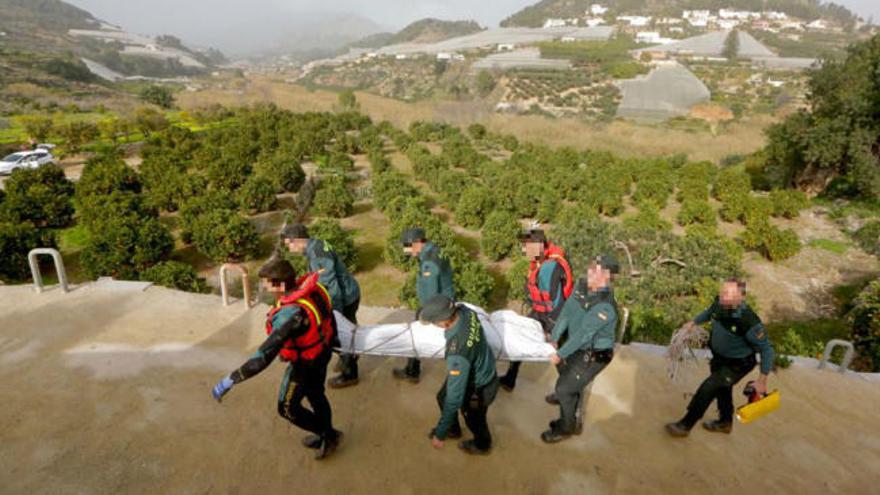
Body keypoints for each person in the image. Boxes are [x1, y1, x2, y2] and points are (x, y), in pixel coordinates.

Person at [210, 255, 343, 459]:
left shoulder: (291, 316)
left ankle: (328, 435)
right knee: (316, 394)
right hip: (321, 352)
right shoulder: (312, 289)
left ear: (280, 285)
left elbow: (263, 357)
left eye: (266, 283)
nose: (263, 287)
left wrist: (232, 379)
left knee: (287, 407)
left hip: (306, 363)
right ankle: (327, 433)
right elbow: (329, 316)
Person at [665, 279, 775, 438]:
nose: (723, 296)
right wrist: (693, 322)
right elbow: (709, 312)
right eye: (722, 292)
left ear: (741, 297)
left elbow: (767, 349)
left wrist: (762, 380)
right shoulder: (719, 303)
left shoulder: (749, 321)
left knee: (708, 388)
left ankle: (685, 425)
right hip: (720, 358)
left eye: (729, 294)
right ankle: (725, 422)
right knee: (723, 389)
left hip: (737, 364)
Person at [542, 255, 619, 443]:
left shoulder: (604, 307)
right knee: (565, 374)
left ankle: (567, 427)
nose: (594, 273)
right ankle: (570, 393)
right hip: (577, 345)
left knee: (564, 389)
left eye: (601, 272)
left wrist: (560, 353)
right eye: (593, 267)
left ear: (610, 278)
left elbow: (584, 335)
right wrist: (554, 338)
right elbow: (567, 313)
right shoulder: (582, 285)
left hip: (594, 355)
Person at [281, 223, 362, 389]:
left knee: (338, 335)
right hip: (350, 293)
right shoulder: (316, 245)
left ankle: (350, 374)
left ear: (296, 240)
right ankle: (349, 356)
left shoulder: (318, 255)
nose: (289, 248)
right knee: (349, 331)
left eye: (288, 244)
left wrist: (334, 315)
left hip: (344, 298)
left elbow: (331, 287)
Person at [421, 294, 499, 455]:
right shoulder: (466, 311)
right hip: (477, 364)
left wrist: (439, 434)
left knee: (474, 419)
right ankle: (453, 429)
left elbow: (455, 398)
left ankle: (482, 444)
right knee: (442, 396)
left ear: (444, 322)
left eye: (434, 323)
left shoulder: (457, 353)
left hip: (480, 385)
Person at [499, 228, 573, 392]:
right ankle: (510, 379)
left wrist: (553, 333)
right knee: (522, 337)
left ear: (539, 245)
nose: (524, 250)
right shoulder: (539, 263)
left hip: (553, 316)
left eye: (527, 246)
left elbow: (559, 304)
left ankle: (570, 393)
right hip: (539, 311)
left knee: (557, 354)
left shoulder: (550, 267)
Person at [393, 227, 455, 383]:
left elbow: (430, 291)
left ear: (418, 243)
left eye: (407, 245)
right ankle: (412, 369)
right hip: (445, 300)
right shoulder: (435, 250)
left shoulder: (429, 262)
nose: (406, 250)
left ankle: (413, 371)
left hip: (435, 305)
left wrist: (425, 314)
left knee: (417, 336)